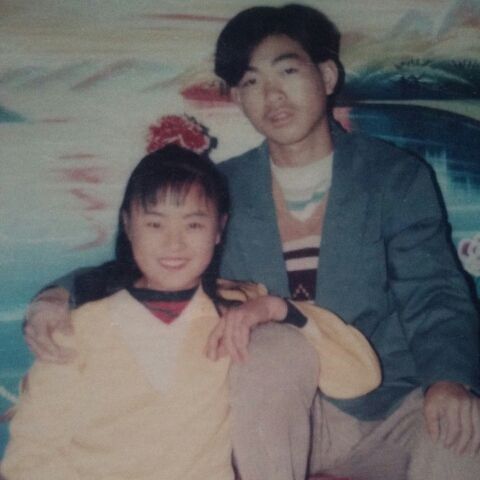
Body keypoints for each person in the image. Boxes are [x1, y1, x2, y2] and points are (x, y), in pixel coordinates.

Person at [22, 3, 480, 480]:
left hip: (391, 407)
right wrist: (59, 294)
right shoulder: (221, 188)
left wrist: (450, 380)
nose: (272, 94)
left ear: (326, 75)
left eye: (287, 71)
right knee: (271, 347)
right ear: (239, 98)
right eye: (251, 82)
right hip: (270, 416)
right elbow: (149, 263)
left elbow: (434, 292)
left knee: (467, 437)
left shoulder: (394, 177)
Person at [3, 145, 379, 480]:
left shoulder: (235, 306)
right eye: (155, 224)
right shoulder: (79, 328)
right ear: (128, 224)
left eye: (194, 224)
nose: (174, 243)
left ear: (219, 229)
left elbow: (359, 376)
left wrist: (276, 308)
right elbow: (33, 452)